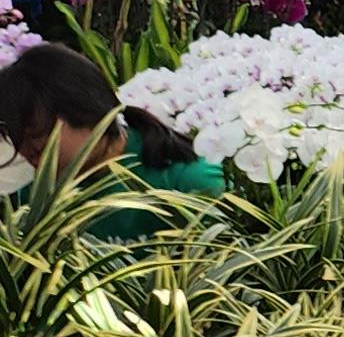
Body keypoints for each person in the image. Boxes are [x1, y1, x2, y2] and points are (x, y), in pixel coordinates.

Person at [0, 41, 219, 227]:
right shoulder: (33, 198)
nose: (29, 153)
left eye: (38, 136)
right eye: (17, 137)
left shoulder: (189, 180)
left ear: (85, 111)